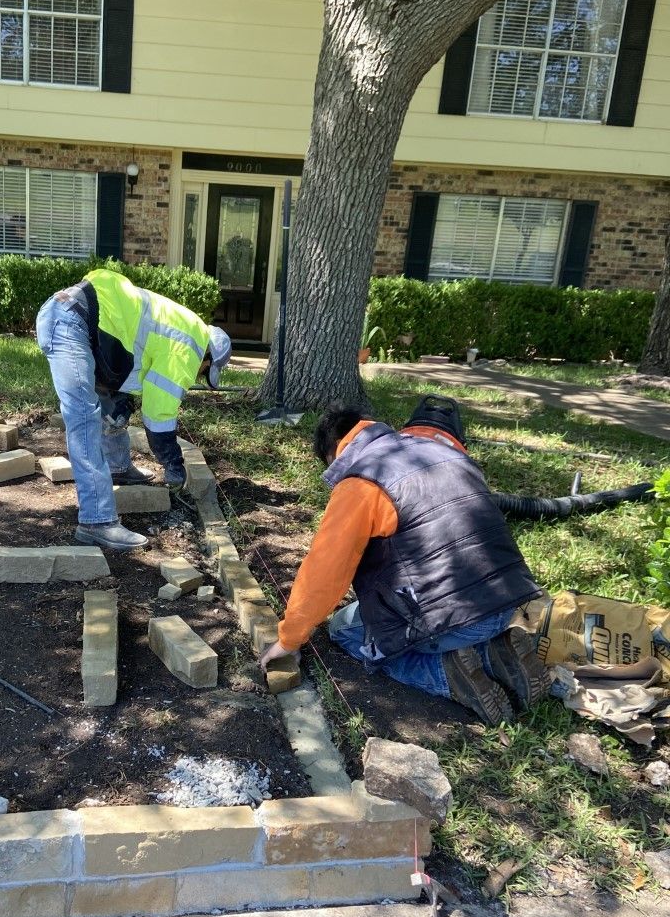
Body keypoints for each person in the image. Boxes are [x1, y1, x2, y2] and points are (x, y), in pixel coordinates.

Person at [259, 396, 552, 724]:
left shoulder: (360, 482)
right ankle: (493, 653)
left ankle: (446, 672)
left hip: (455, 621)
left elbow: (325, 571)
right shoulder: (446, 452)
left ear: (332, 453)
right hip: (507, 605)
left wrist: (289, 639)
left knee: (344, 629)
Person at [36, 269, 232, 551]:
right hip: (73, 324)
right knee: (85, 420)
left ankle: (117, 467)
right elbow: (158, 414)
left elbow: (133, 362)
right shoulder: (190, 346)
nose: (199, 376)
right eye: (206, 372)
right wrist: (173, 464)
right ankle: (97, 521)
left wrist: (121, 401)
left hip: (82, 322)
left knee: (113, 406)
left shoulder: (184, 327)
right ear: (208, 358)